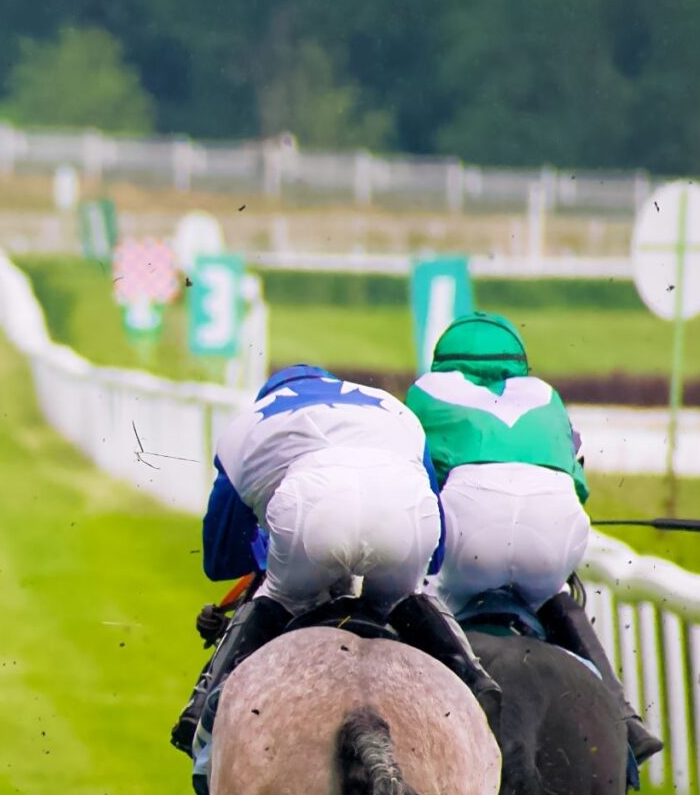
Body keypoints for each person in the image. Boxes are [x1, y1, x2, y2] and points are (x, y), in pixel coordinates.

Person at [172, 362, 500, 760]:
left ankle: (200, 713)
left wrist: (268, 538)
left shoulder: (247, 426)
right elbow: (438, 555)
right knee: (405, 596)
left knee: (276, 597)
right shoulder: (392, 409)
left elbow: (221, 559)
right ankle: (475, 679)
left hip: (312, 514)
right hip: (403, 508)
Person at [409, 311, 662, 765]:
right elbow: (578, 485)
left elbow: (417, 485)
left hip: (469, 537)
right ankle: (625, 719)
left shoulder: (425, 394)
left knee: (416, 595)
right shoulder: (546, 396)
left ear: (445, 362)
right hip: (551, 529)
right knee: (557, 594)